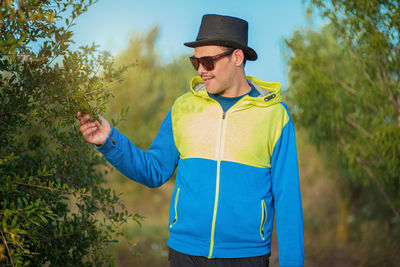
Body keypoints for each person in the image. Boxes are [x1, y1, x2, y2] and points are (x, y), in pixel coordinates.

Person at [77, 14, 304, 267]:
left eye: (208, 61)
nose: (200, 70)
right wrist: (108, 140)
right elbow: (154, 170)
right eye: (195, 61)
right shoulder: (183, 108)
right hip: (185, 254)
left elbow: (288, 202)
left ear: (237, 58)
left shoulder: (275, 116)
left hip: (247, 256)